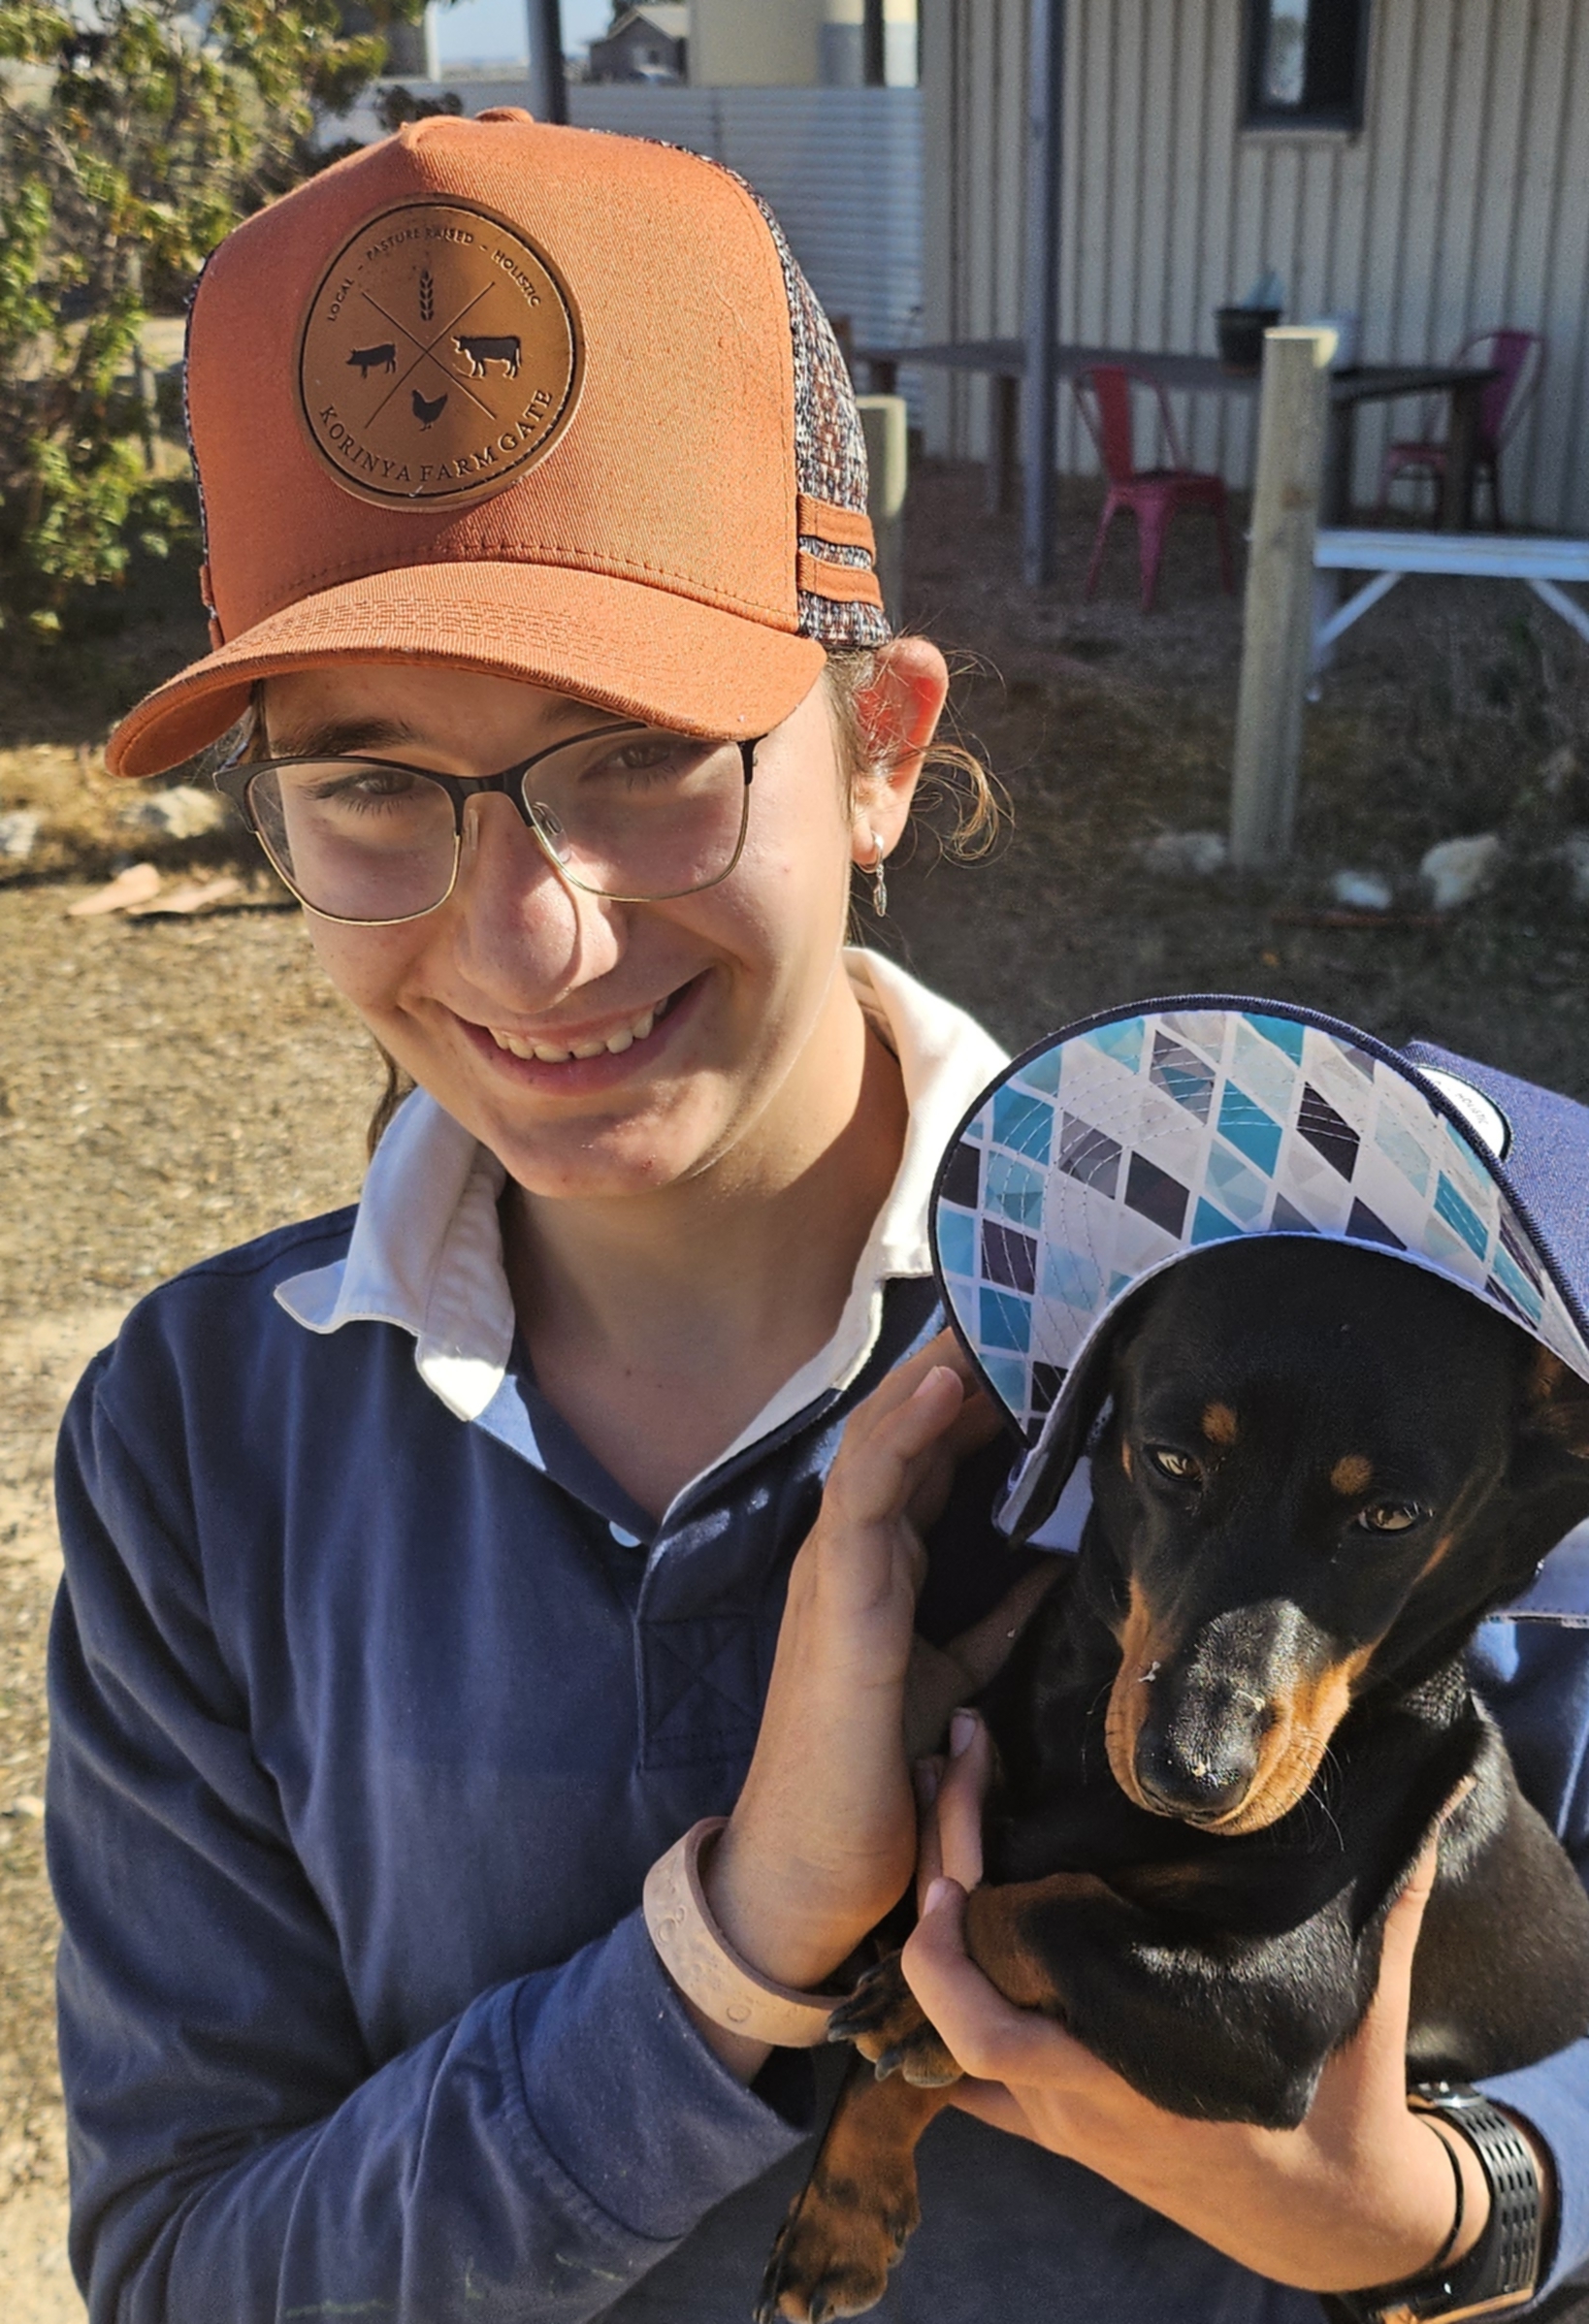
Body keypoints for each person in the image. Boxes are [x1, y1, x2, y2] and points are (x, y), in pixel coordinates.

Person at [47, 108, 1587, 2324]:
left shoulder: (1389, 1313)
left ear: (879, 748)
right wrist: (726, 1956)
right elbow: (189, 2269)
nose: (535, 937)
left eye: (641, 749)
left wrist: (1459, 2224)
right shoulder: (203, 1437)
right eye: (374, 782)